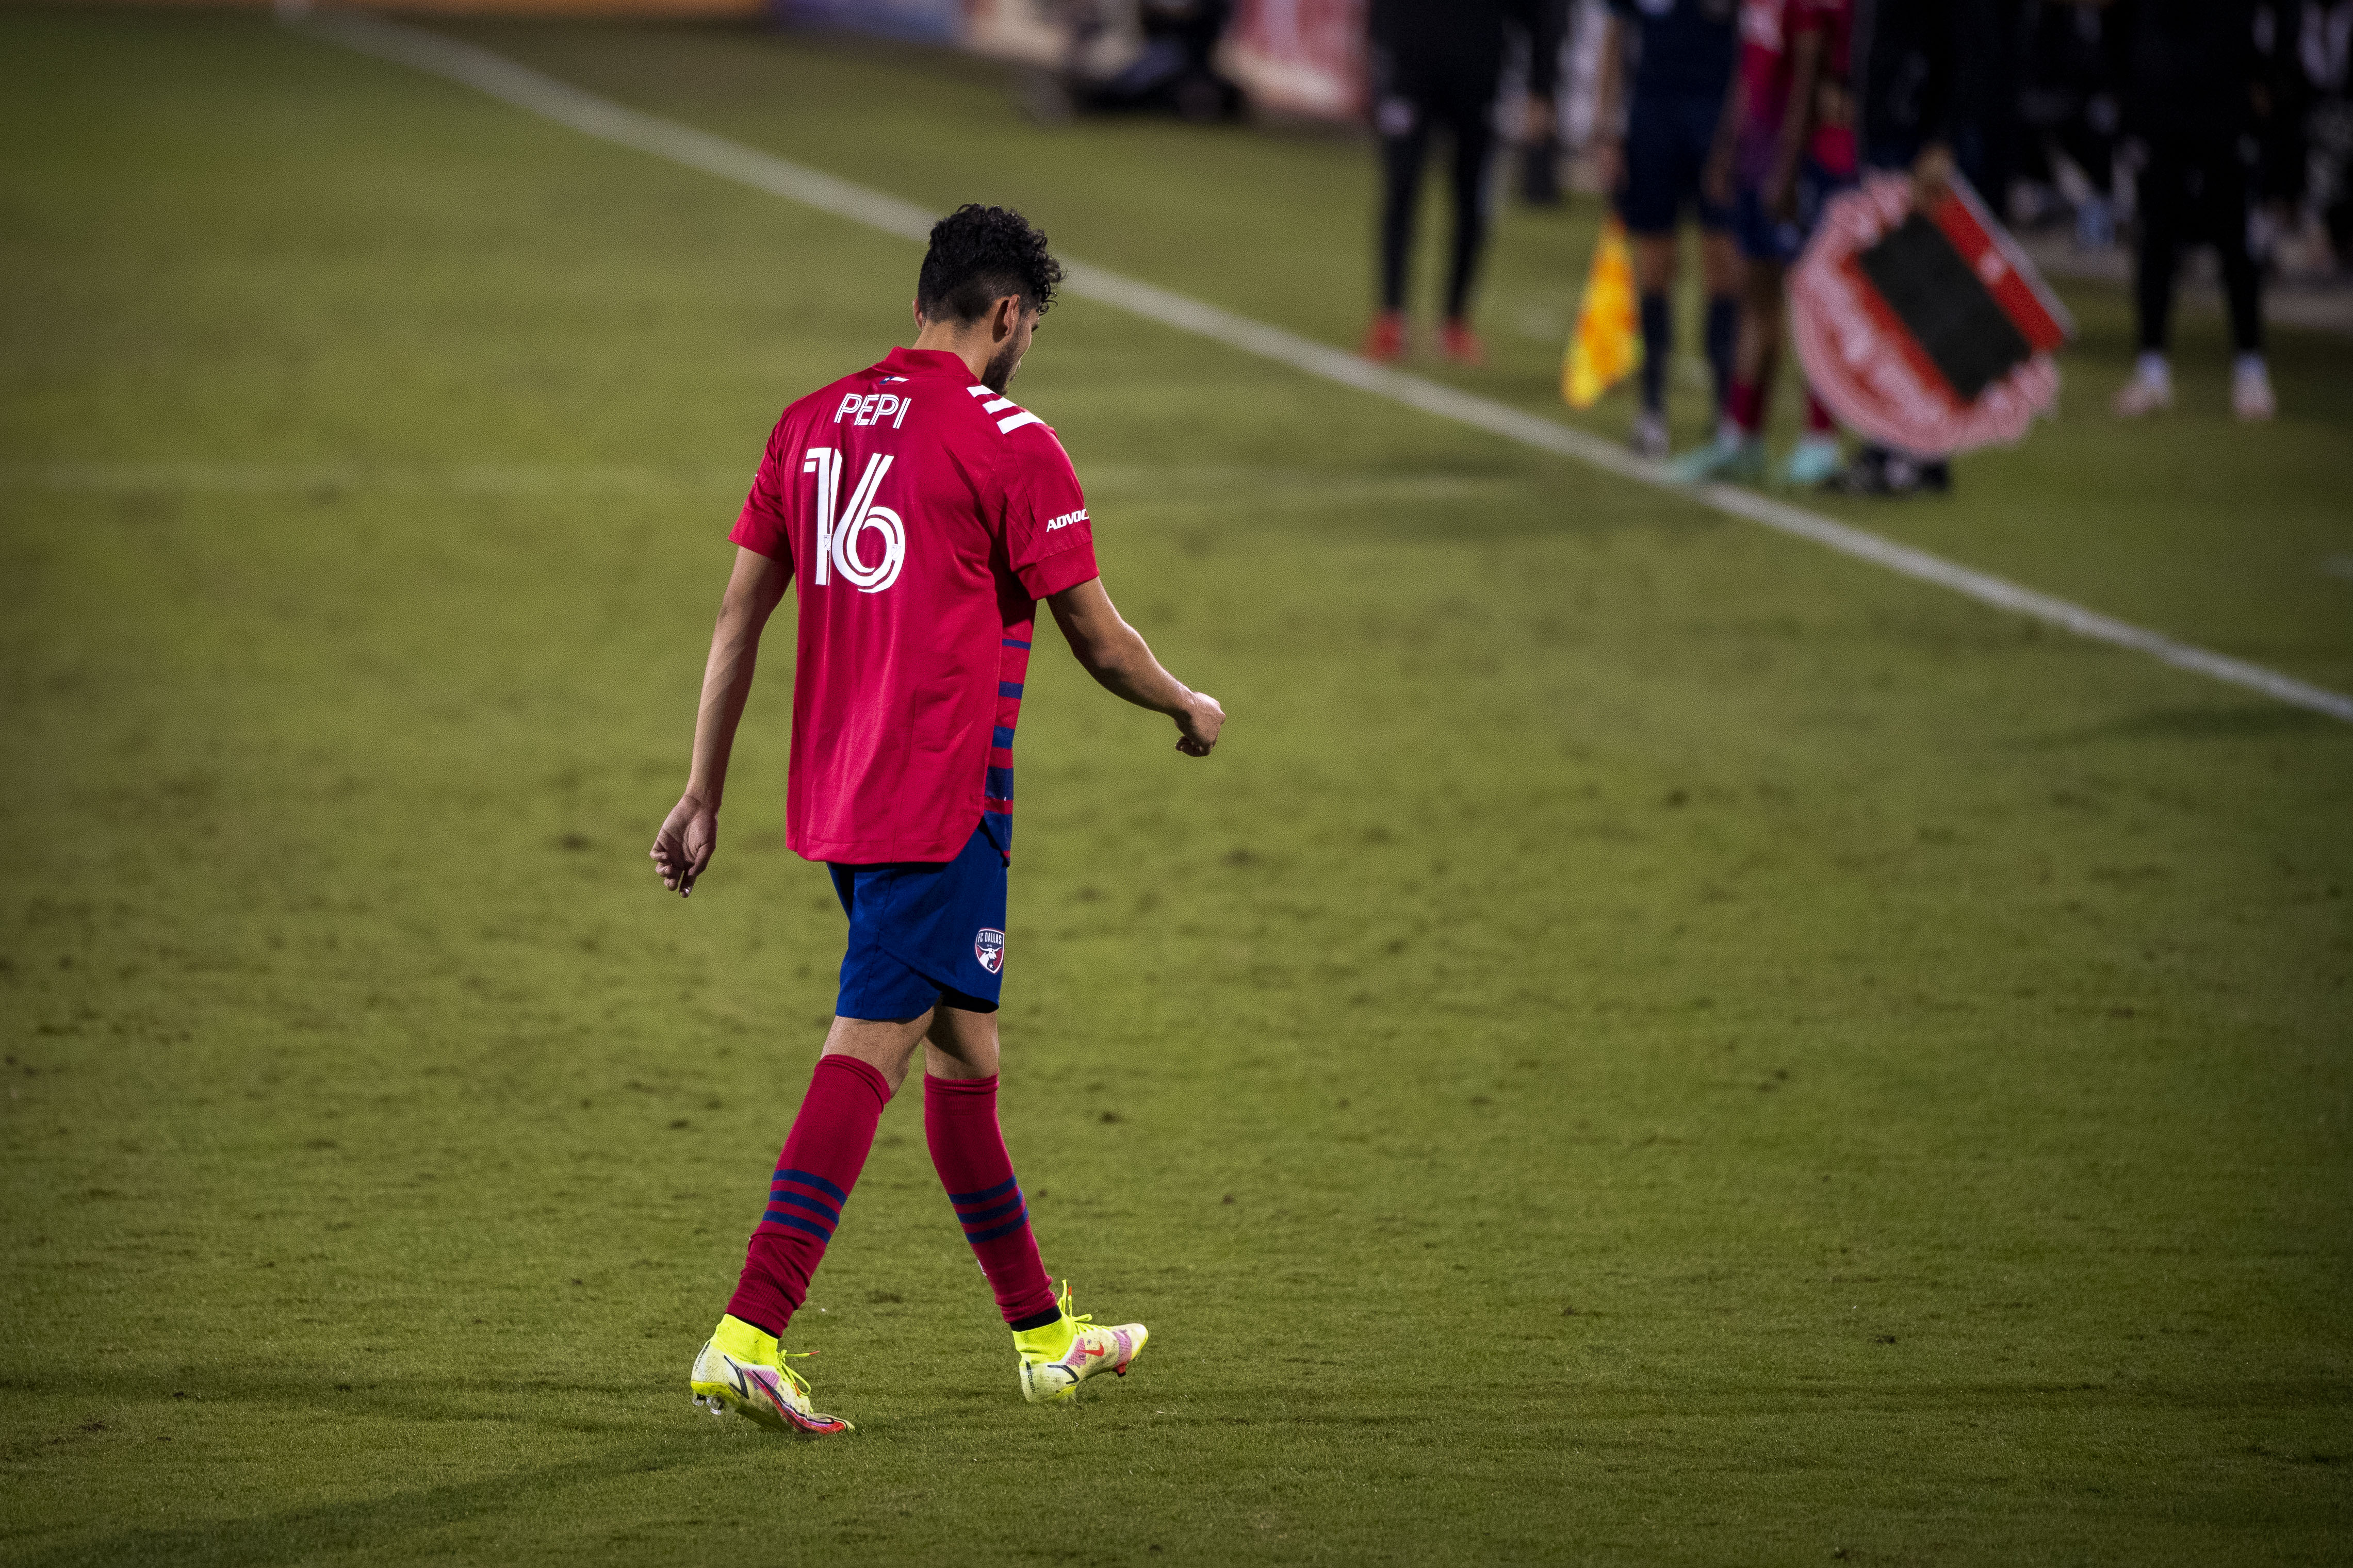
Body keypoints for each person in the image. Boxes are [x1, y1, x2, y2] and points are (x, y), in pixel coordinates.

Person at [651, 204, 1227, 1435]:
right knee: (867, 1049)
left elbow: (735, 619)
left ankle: (1043, 1340)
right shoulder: (1010, 439)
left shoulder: (806, 422)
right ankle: (747, 1333)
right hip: (942, 802)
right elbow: (1093, 635)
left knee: (967, 1058)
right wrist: (1186, 702)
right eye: (1032, 327)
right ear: (1009, 315)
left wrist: (703, 789)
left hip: (840, 799)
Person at [1669, 0, 1857, 485]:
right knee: (1757, 295)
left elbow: (1811, 73)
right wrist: (1728, 146)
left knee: (1814, 302)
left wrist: (1788, 169)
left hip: (1806, 159)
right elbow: (1749, 66)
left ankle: (1820, 440)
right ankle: (1742, 437)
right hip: (1760, 150)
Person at [1363, 0, 1571, 364]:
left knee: (1471, 197)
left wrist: (1541, 89)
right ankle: (1391, 317)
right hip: (1411, 68)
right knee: (1401, 187)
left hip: (1479, 72)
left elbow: (1541, 12)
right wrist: (1378, 52)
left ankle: (1455, 320)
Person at [1590, 0, 1742, 457]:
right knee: (1655, 266)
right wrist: (1606, 127)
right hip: (1652, 115)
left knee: (1723, 268)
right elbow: (1615, 36)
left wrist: (1738, 134)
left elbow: (1752, 49)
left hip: (1714, 113)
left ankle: (1724, 416)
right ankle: (1652, 409)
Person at [2113, 0, 2276, 420]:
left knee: (2235, 246)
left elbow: (2251, 40)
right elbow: (2125, 34)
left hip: (2221, 118)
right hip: (2162, 119)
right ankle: (2151, 370)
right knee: (2156, 245)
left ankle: (2251, 368)